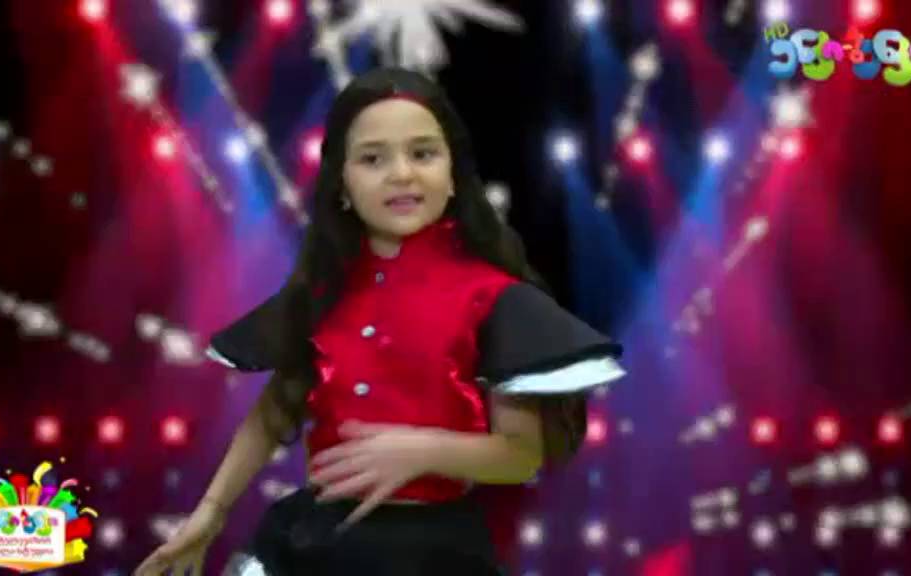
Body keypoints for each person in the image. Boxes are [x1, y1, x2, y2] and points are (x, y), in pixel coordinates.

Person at [134, 67, 625, 576]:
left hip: (432, 553)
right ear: (342, 185)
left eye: (423, 153)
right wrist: (210, 515)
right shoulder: (323, 293)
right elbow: (272, 415)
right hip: (313, 542)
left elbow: (521, 456)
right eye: (373, 159)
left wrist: (422, 451)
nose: (402, 173)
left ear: (453, 176)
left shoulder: (493, 298)